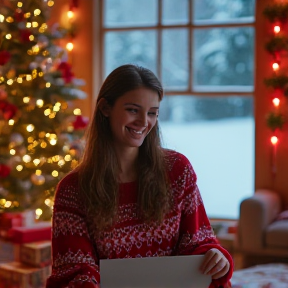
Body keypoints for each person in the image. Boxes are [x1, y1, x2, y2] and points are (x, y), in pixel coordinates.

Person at [46, 64, 233, 288]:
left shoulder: (177, 170)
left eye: (152, 113)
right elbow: (75, 269)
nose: (144, 122)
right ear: (105, 108)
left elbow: (197, 243)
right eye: (133, 110)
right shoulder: (73, 190)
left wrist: (216, 258)